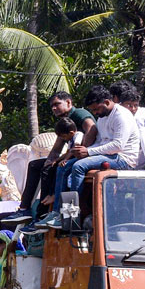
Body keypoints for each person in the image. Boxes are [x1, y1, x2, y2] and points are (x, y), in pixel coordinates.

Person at [44, 86, 138, 225]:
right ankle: (57, 213)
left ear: (106, 102)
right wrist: (81, 151)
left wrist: (88, 152)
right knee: (63, 167)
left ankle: (71, 216)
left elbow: (118, 146)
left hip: (123, 158)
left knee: (78, 166)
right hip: (107, 154)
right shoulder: (102, 117)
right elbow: (101, 143)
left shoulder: (121, 116)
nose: (94, 113)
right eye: (93, 110)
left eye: (96, 109)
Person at [7, 92, 97, 222]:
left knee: (60, 168)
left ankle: (51, 213)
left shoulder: (78, 114)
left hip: (84, 157)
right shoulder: (64, 122)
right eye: (52, 106)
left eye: (57, 104)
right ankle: (24, 209)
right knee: (37, 165)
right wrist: (49, 162)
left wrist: (82, 152)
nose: (54, 108)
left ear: (68, 103)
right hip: (72, 156)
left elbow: (92, 128)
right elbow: (56, 149)